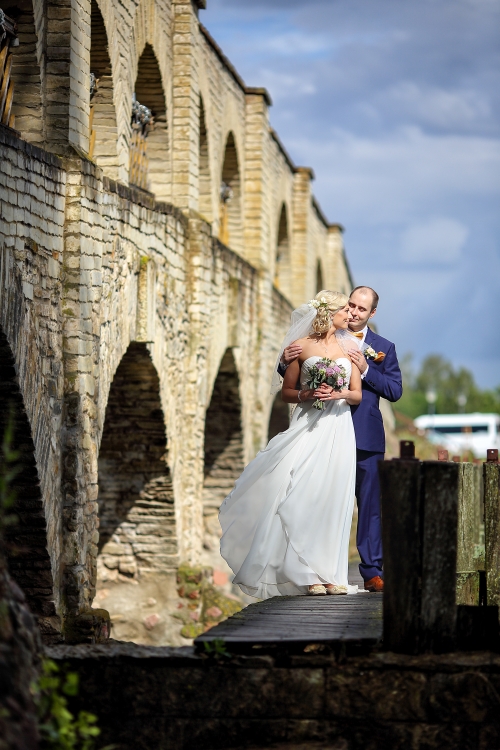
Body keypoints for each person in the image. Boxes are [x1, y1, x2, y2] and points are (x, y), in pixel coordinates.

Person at [219, 291, 362, 598]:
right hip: (310, 425)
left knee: (334, 497)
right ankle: (306, 573)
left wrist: (338, 395)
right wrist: (307, 395)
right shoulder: (301, 347)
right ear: (328, 313)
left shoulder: (350, 347)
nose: (349, 315)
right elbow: (286, 392)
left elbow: (357, 394)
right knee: (304, 494)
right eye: (344, 311)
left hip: (339, 427)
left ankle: (331, 574)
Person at [280, 286, 402, 592]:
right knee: (321, 498)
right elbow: (301, 369)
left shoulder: (382, 347)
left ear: (372, 313)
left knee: (370, 503)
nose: (355, 313)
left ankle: (372, 571)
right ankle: (315, 569)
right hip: (323, 428)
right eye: (351, 306)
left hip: (364, 436)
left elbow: (395, 391)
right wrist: (284, 361)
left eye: (362, 309)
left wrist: (366, 369)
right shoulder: (324, 337)